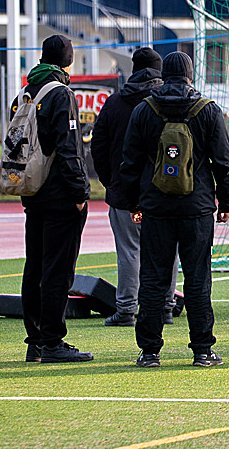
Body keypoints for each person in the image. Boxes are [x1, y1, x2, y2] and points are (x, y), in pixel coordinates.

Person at [118, 50, 229, 367]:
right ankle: (202, 349)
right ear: (190, 74)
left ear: (163, 75)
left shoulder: (145, 109)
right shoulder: (207, 109)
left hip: (156, 206)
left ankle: (150, 351)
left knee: (154, 279)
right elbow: (223, 162)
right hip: (197, 207)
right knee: (197, 279)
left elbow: (129, 163)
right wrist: (225, 202)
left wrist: (133, 203)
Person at [14, 34, 93, 363]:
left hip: (32, 191)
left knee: (34, 266)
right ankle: (53, 341)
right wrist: (80, 193)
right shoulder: (61, 94)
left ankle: (35, 340)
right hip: (61, 195)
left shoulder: (25, 92)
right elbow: (69, 148)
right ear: (68, 61)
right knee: (58, 270)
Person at [91, 47, 180, 327]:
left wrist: (111, 182)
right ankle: (165, 306)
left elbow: (98, 146)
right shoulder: (170, 102)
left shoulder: (115, 102)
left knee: (129, 251)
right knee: (167, 250)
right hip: (165, 190)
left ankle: (127, 308)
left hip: (124, 191)